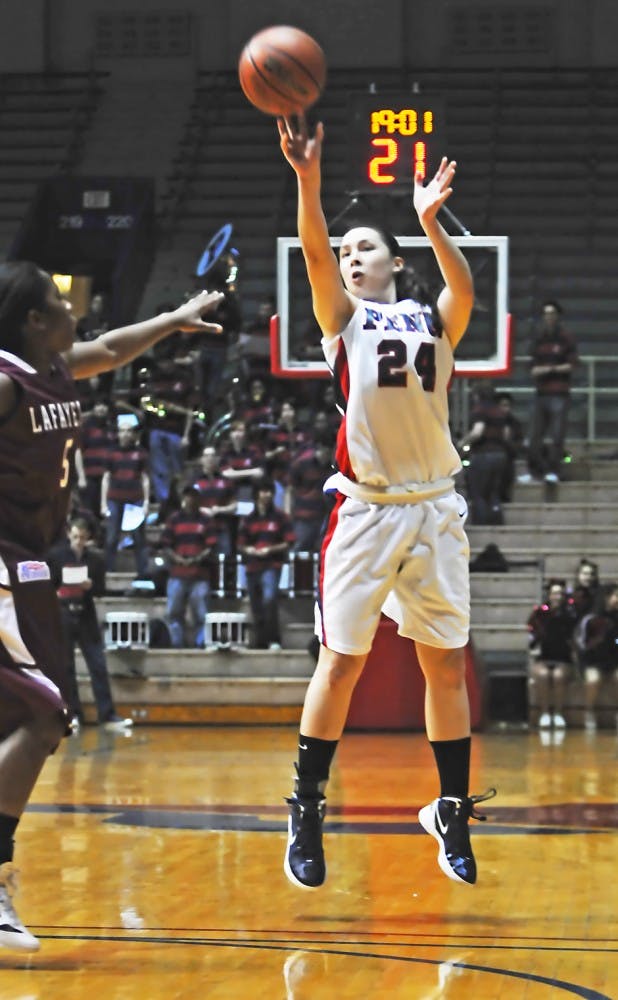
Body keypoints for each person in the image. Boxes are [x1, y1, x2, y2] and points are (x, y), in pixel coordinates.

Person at [276, 112, 494, 892]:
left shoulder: (437, 316)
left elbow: (465, 285)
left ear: (396, 261)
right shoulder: (342, 322)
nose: (349, 255)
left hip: (434, 506)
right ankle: (306, 806)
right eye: (345, 251)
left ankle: (451, 810)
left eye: (364, 246)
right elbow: (310, 250)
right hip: (366, 510)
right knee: (342, 664)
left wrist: (432, 222)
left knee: (444, 669)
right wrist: (307, 179)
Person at [0, 259, 222, 951]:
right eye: (61, 303)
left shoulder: (56, 367)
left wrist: (173, 320)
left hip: (31, 566)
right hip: (1, 564)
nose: (75, 310)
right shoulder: (5, 380)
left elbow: (110, 349)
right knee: (43, 714)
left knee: (34, 720)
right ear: (34, 320)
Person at [47, 517, 133, 732]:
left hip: (86, 615)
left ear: (88, 538)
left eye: (83, 538)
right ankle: (73, 714)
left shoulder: (95, 560)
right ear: (69, 534)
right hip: (63, 614)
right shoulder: (56, 556)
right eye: (75, 537)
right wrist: (56, 592)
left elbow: (101, 590)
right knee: (67, 668)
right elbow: (46, 586)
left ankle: (107, 715)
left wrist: (91, 585)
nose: (78, 541)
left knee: (98, 665)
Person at [518, 300, 578, 485]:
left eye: (552, 313)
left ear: (558, 316)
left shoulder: (566, 338)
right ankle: (535, 471)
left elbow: (572, 364)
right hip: (541, 393)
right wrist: (537, 370)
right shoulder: (539, 339)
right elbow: (532, 365)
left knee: (557, 435)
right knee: (534, 435)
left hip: (559, 393)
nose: (549, 317)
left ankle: (554, 471)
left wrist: (550, 369)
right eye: (546, 313)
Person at [237, 479, 295, 650]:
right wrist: (250, 550)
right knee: (256, 605)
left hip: (272, 565)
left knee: (269, 600)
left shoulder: (281, 517)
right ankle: (261, 641)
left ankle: (274, 639)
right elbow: (240, 544)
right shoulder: (248, 520)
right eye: (263, 491)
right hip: (252, 566)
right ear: (256, 495)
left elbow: (289, 541)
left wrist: (270, 549)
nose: (267, 495)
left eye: (269, 491)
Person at [160, 485, 217, 648]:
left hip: (200, 574)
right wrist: (177, 558)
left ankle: (200, 644)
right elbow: (165, 545)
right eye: (187, 497)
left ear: (198, 499)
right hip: (177, 574)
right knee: (173, 613)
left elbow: (211, 546)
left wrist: (197, 559)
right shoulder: (174, 519)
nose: (190, 500)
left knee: (202, 615)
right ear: (182, 499)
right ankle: (177, 644)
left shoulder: (206, 521)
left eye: (193, 497)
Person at [100, 422, 150, 578]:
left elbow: (145, 478)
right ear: (118, 433)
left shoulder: (141, 453)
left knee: (138, 538)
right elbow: (106, 478)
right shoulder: (111, 453)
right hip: (114, 499)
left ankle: (143, 572)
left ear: (133, 434)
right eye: (122, 431)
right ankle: (109, 570)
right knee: (111, 537)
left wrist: (147, 502)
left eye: (129, 431)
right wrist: (103, 503)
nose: (126, 434)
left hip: (135, 500)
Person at [526, 579, 575, 729]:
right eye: (554, 593)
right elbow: (531, 635)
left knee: (558, 676)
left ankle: (558, 714)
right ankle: (545, 713)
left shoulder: (570, 614)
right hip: (543, 657)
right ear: (549, 595)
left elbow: (574, 637)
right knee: (543, 675)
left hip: (563, 658)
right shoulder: (539, 613)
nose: (557, 597)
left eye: (560, 593)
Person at [459, 383, 509, 525]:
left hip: (484, 454)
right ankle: (496, 518)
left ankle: (481, 522)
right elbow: (506, 434)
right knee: (493, 491)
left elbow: (477, 431)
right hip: (500, 454)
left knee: (478, 492)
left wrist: (463, 442)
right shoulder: (499, 411)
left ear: (477, 396)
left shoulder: (480, 410)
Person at [573, 582, 618, 731]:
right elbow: (581, 644)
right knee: (593, 680)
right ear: (606, 597)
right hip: (592, 661)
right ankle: (589, 711)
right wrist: (596, 642)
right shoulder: (590, 619)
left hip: (613, 661)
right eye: (616, 596)